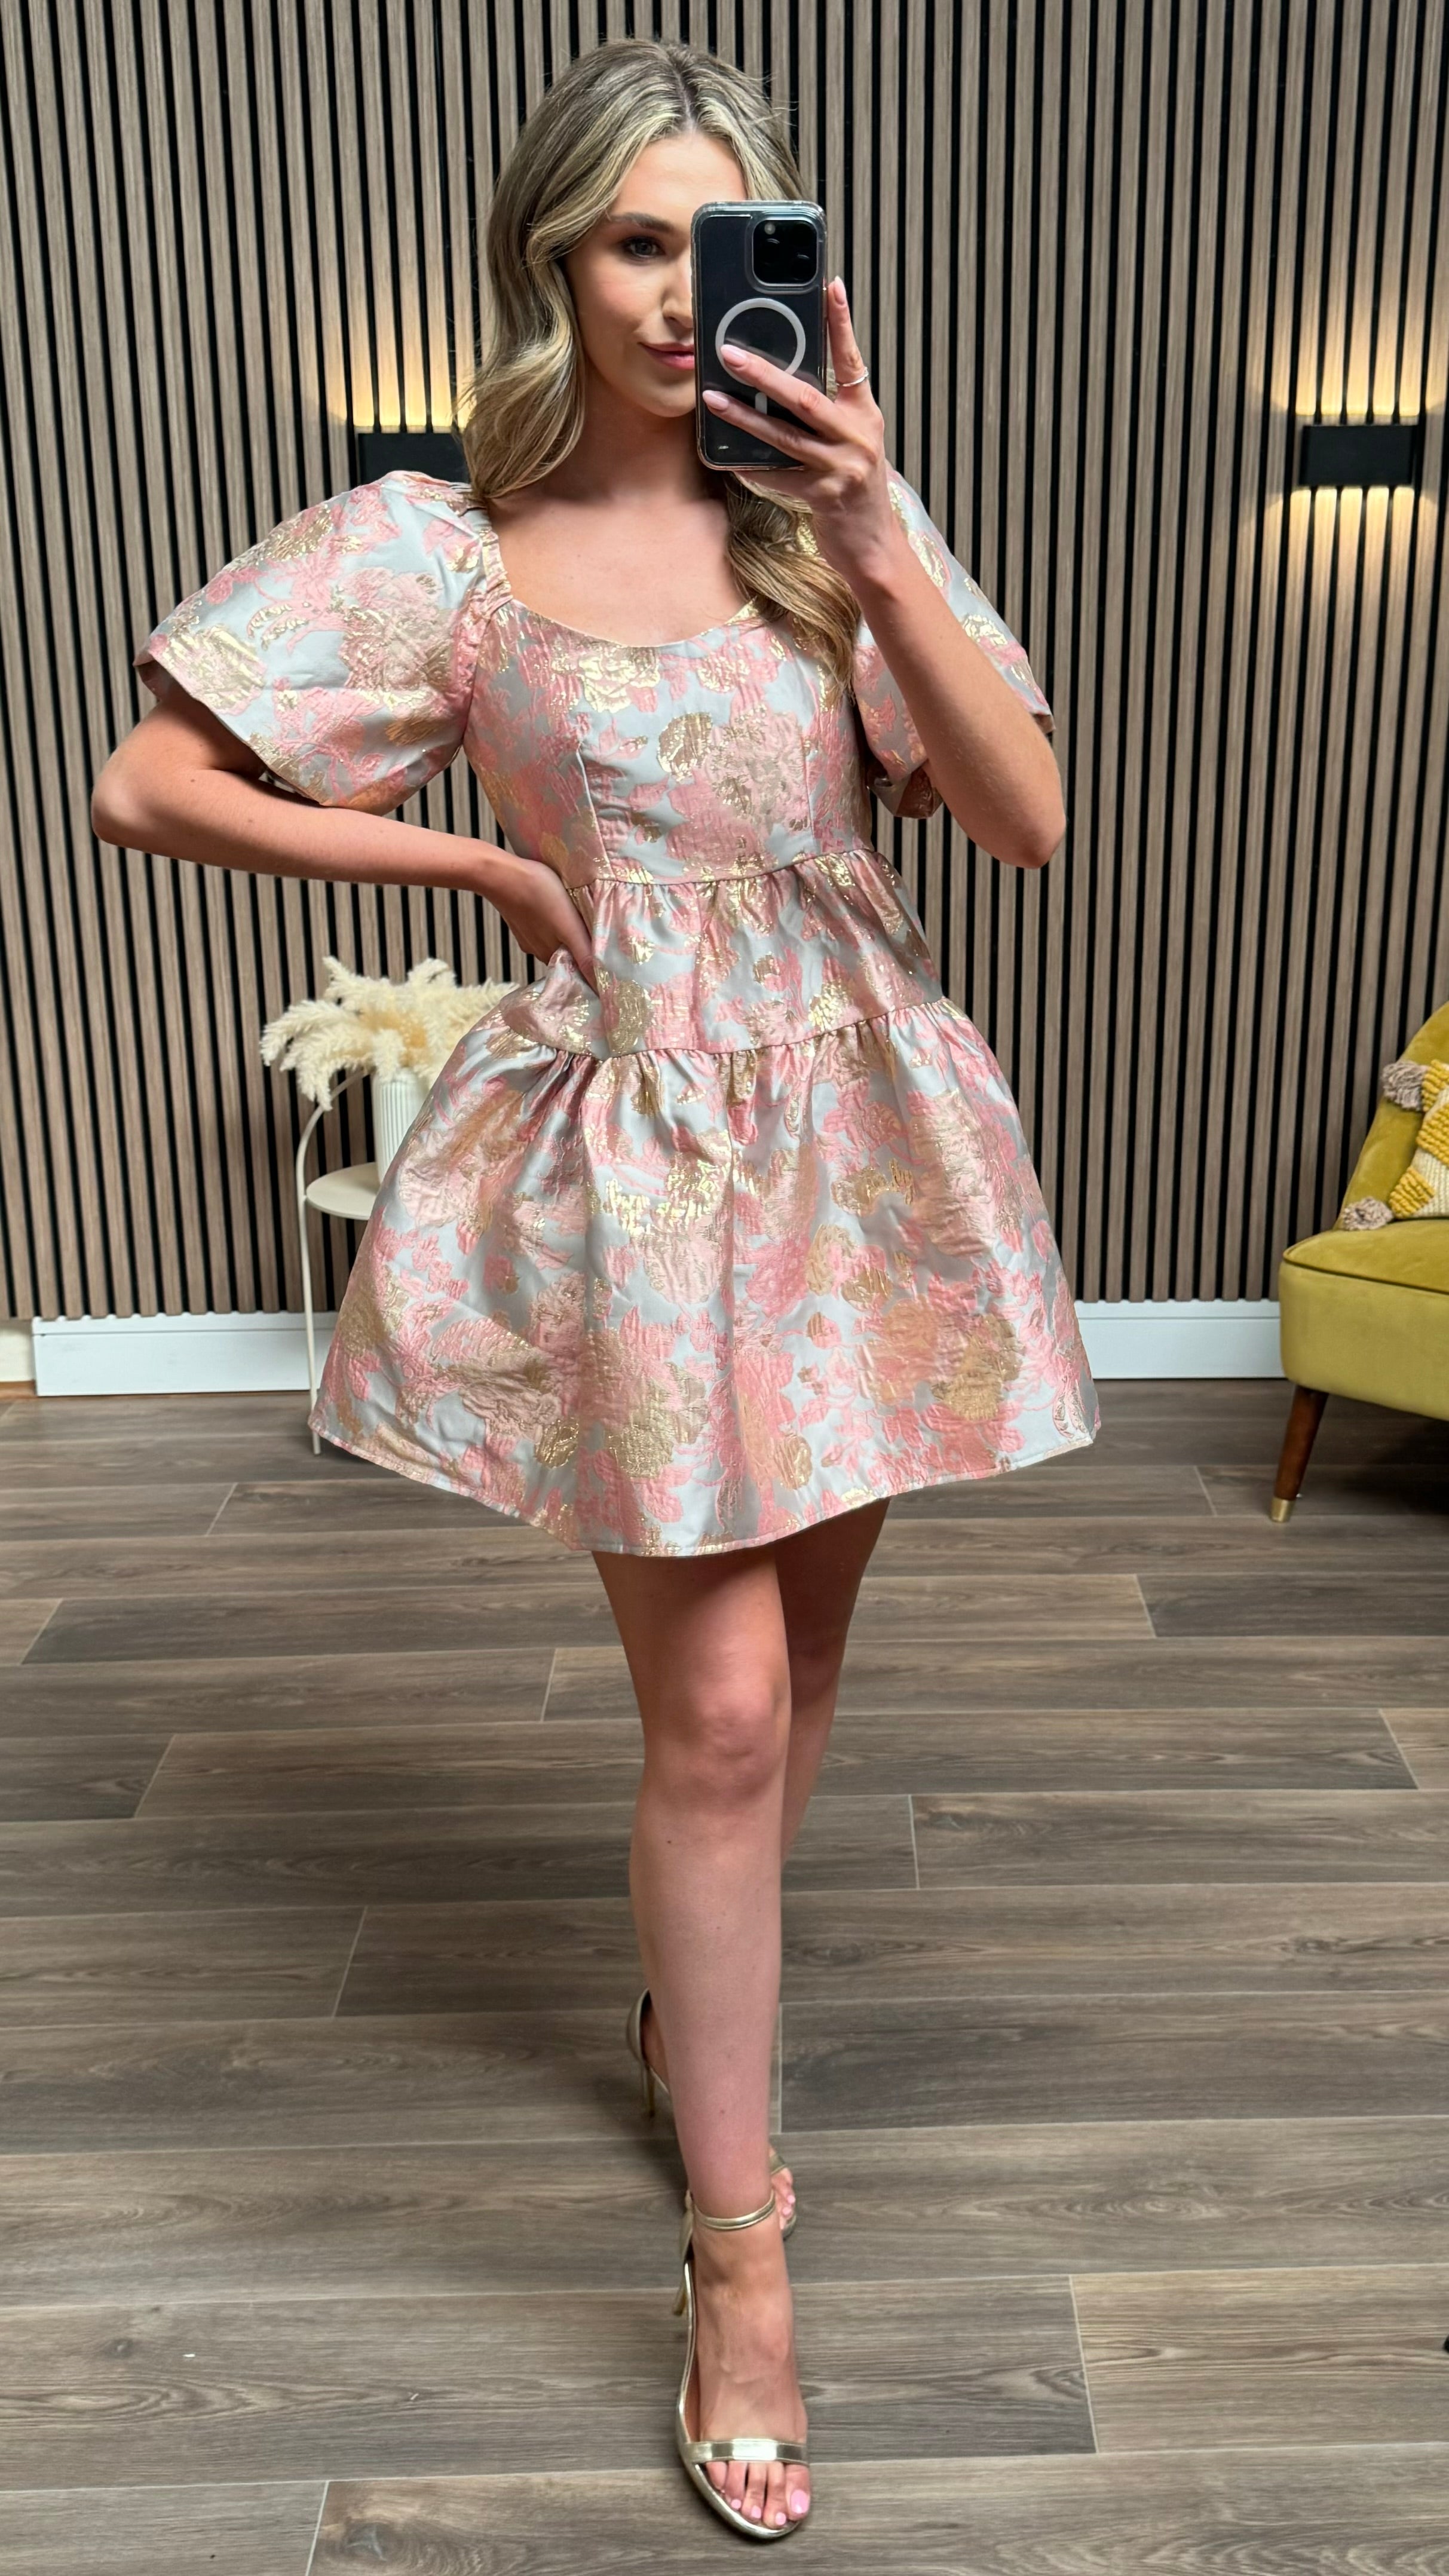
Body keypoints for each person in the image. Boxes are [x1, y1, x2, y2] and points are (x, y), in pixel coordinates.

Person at [92, 36, 1098, 2544]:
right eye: (635, 239)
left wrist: (873, 529)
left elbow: (1022, 818)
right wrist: (479, 873)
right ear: (555, 254)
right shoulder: (441, 548)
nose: (676, 291)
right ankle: (740, 2255)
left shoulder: (830, 528)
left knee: (801, 1676)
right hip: (644, 1164)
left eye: (717, 240)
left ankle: (691, 2010)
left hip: (860, 1143)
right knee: (724, 1706)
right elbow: (148, 782)